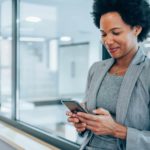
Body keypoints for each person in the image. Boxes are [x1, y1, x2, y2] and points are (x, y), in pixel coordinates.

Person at [66, 0, 150, 149]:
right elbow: (90, 125)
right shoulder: (96, 69)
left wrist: (118, 131)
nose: (108, 41)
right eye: (103, 34)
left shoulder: (147, 72)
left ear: (136, 29)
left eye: (115, 32)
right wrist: (82, 123)